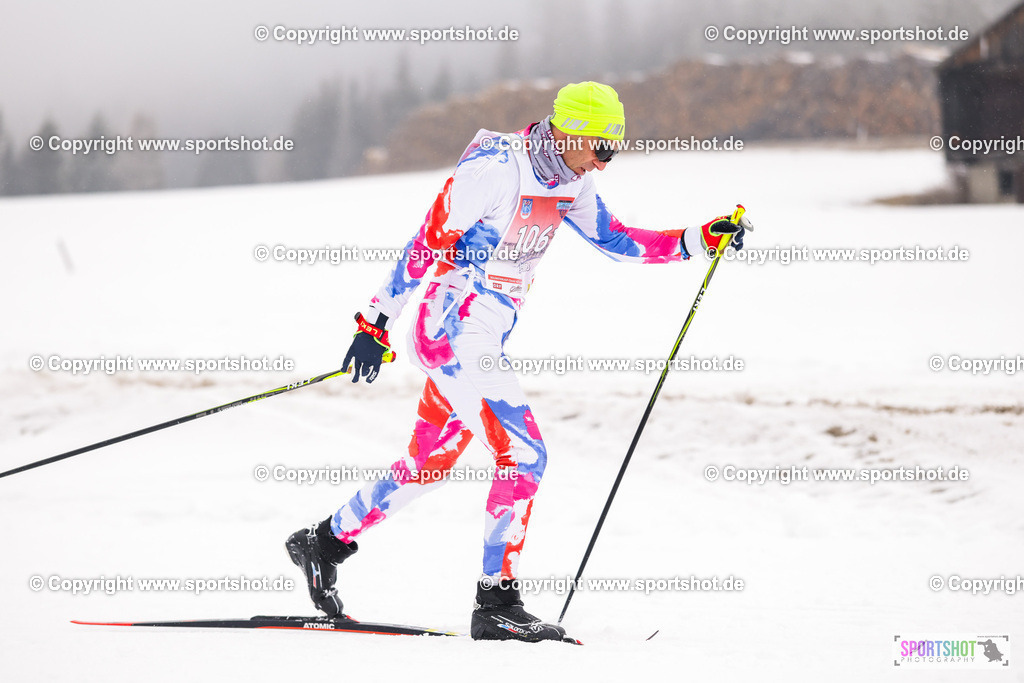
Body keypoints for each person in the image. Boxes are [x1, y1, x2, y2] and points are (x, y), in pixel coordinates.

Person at [286, 81, 747, 642]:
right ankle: (496, 603)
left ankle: (323, 542)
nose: (606, 161)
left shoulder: (572, 178)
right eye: (601, 147)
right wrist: (373, 324)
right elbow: (426, 242)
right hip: (450, 333)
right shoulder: (494, 170)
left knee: (428, 465)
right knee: (523, 455)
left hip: (483, 338)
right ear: (570, 131)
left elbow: (615, 239)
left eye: (614, 149)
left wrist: (699, 239)